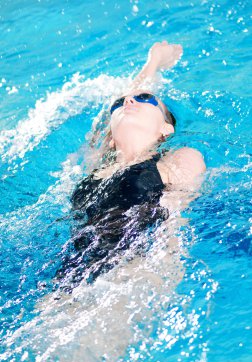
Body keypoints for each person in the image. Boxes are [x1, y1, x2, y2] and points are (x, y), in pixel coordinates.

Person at [55, 41, 206, 291]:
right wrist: (152, 64)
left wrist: (164, 277)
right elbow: (124, 102)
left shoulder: (178, 159)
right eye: (119, 104)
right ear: (111, 138)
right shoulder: (97, 167)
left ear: (165, 129)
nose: (129, 102)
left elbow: (175, 223)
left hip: (127, 275)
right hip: (69, 278)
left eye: (144, 99)